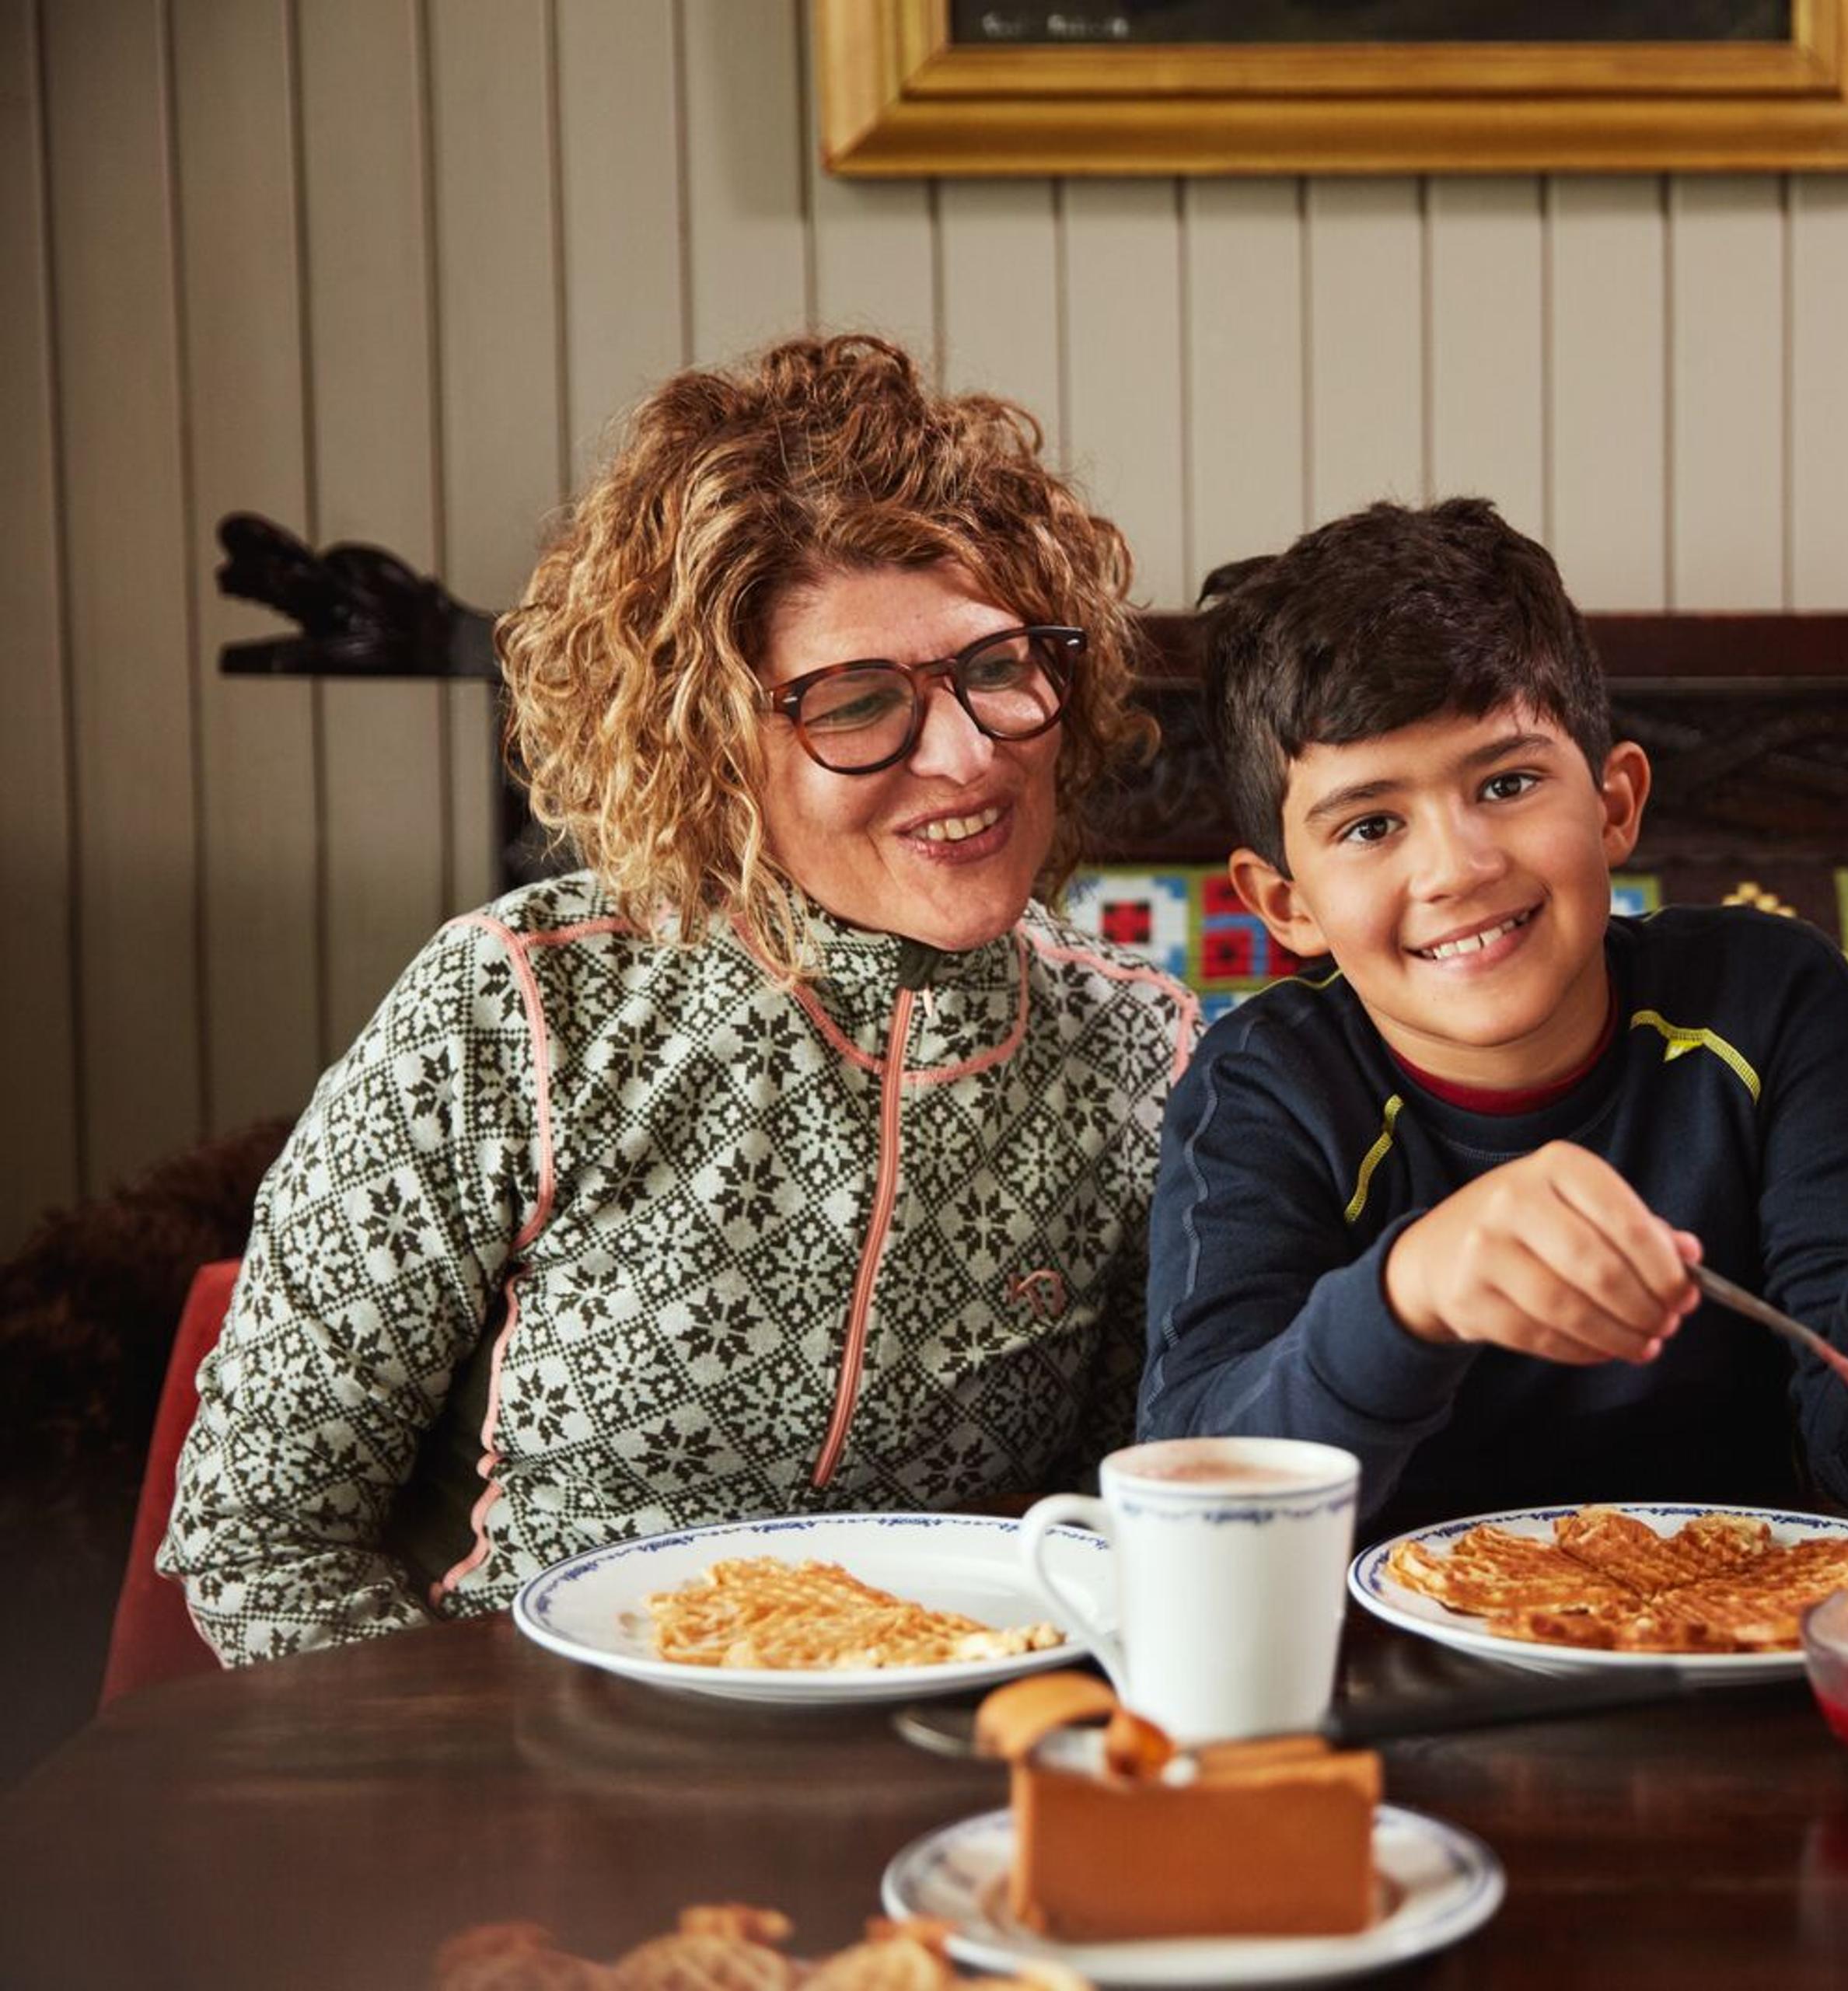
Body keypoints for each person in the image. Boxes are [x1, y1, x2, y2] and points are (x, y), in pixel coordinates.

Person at [162, 335, 1198, 1662]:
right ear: (708, 743)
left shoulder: (1137, 1048)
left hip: (951, 1776)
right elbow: (260, 1532)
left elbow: (1133, 1520)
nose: (964, 754)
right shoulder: (518, 1010)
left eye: (999, 668)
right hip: (534, 1790)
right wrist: (467, 1813)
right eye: (858, 702)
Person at [1134, 498, 1848, 1531]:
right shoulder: (1261, 1087)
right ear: (1285, 902)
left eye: (1510, 781)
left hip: (1738, 1648)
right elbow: (1190, 1490)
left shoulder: (1771, 1005)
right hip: (1379, 1676)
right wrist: (1405, 1294)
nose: (1456, 866)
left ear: (1615, 803)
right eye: (1371, 823)